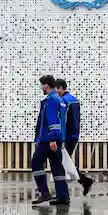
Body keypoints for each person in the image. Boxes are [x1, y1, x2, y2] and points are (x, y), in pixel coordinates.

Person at [31, 74, 70, 206]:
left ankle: (44, 192)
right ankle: (63, 196)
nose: (41, 87)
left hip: (48, 139)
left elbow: (53, 120)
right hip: (56, 138)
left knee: (36, 162)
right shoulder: (60, 99)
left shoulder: (51, 100)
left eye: (42, 85)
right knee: (57, 167)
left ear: (46, 85)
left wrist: (52, 138)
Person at [54, 79, 94, 196]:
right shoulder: (73, 100)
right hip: (73, 134)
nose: (56, 93)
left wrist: (60, 137)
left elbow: (62, 120)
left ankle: (64, 190)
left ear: (60, 88)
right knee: (65, 161)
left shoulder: (65, 101)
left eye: (56, 90)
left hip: (67, 136)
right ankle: (83, 181)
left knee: (62, 162)